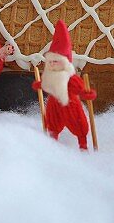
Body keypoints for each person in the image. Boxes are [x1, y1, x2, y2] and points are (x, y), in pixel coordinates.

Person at [32, 21, 97, 150]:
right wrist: (40, 85)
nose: (52, 64)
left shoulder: (70, 79)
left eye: (55, 61)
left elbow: (80, 90)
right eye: (50, 61)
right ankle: (52, 143)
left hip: (71, 106)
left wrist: (87, 94)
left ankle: (83, 145)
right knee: (52, 124)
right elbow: (46, 84)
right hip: (54, 106)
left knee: (79, 125)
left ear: (65, 63)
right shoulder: (50, 76)